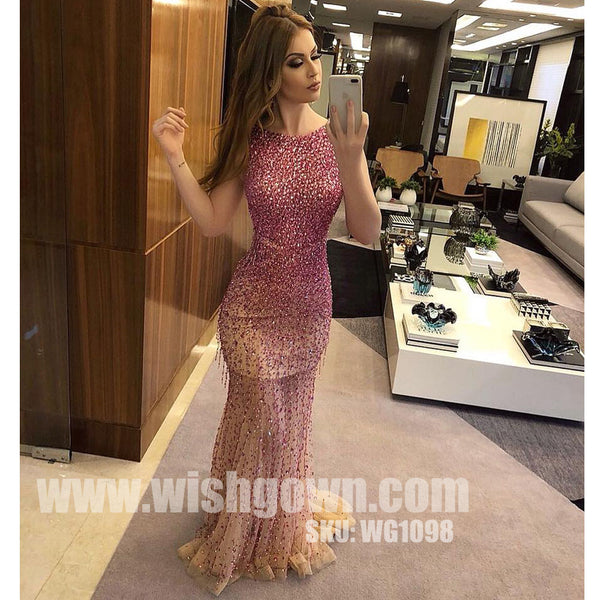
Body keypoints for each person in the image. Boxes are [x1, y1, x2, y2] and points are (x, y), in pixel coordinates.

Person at [152, 3, 380, 596]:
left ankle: (273, 521)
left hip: (310, 305)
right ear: (269, 72)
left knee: (288, 425)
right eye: (296, 62)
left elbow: (366, 232)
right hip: (251, 307)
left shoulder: (340, 137)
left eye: (315, 58)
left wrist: (352, 159)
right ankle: (245, 528)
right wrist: (175, 156)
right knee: (264, 422)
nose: (313, 71)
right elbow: (212, 222)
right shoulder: (251, 140)